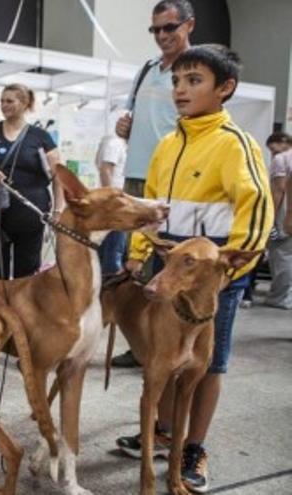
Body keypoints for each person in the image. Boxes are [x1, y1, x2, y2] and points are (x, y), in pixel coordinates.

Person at [117, 45, 272, 494]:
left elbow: (257, 208)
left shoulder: (235, 144)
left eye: (194, 81)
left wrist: (233, 267)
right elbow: (151, 207)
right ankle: (164, 431)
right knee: (165, 355)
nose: (181, 90)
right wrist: (138, 250)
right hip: (169, 265)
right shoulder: (168, 145)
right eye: (177, 81)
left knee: (208, 361)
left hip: (211, 274)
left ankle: (193, 448)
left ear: (225, 88)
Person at [112, 0, 195, 368]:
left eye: (170, 27)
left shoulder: (197, 68)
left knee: (167, 264)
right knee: (134, 266)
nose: (162, 36)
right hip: (137, 174)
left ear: (188, 25)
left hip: (172, 179)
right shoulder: (147, 69)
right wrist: (125, 129)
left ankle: (167, 346)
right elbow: (135, 117)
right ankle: (143, 343)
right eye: (156, 29)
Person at [0, 83, 64, 279]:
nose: (4, 105)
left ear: (24, 104)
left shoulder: (40, 137)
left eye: (10, 101)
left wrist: (58, 210)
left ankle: (23, 310)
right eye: (2, 101)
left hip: (31, 213)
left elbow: (58, 174)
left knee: (26, 274)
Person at [265, 132, 292, 309]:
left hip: (285, 212)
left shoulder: (282, 159)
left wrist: (270, 218)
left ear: (283, 142)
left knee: (282, 255)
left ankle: (280, 297)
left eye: (273, 148)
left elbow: (279, 190)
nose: (272, 153)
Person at [95, 132, 128, 275]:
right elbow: (105, 168)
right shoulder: (115, 142)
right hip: (115, 206)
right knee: (113, 250)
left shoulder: (123, 144)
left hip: (120, 204)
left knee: (112, 248)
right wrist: (112, 200)